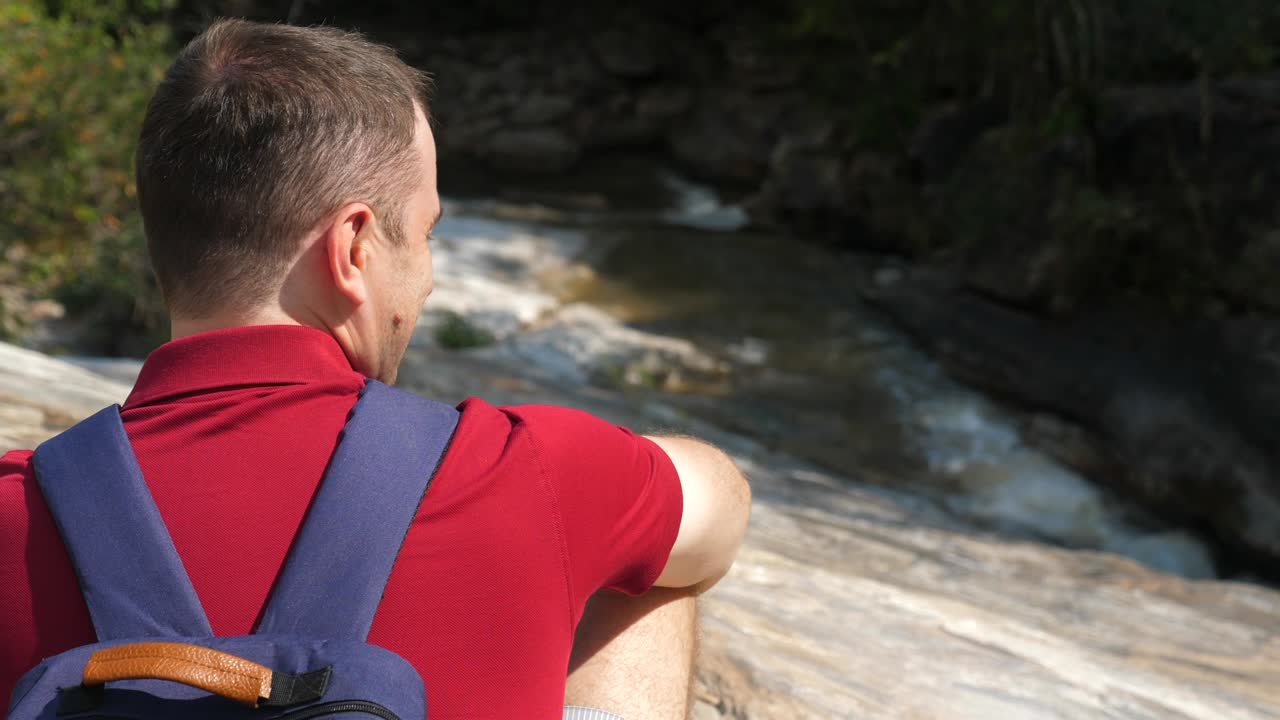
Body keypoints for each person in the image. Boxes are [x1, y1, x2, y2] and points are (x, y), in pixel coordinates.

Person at [0, 19, 751, 720]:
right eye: (423, 234)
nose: (427, 279)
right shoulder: (524, 469)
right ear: (355, 248)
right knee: (650, 579)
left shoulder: (14, 514)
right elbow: (720, 513)